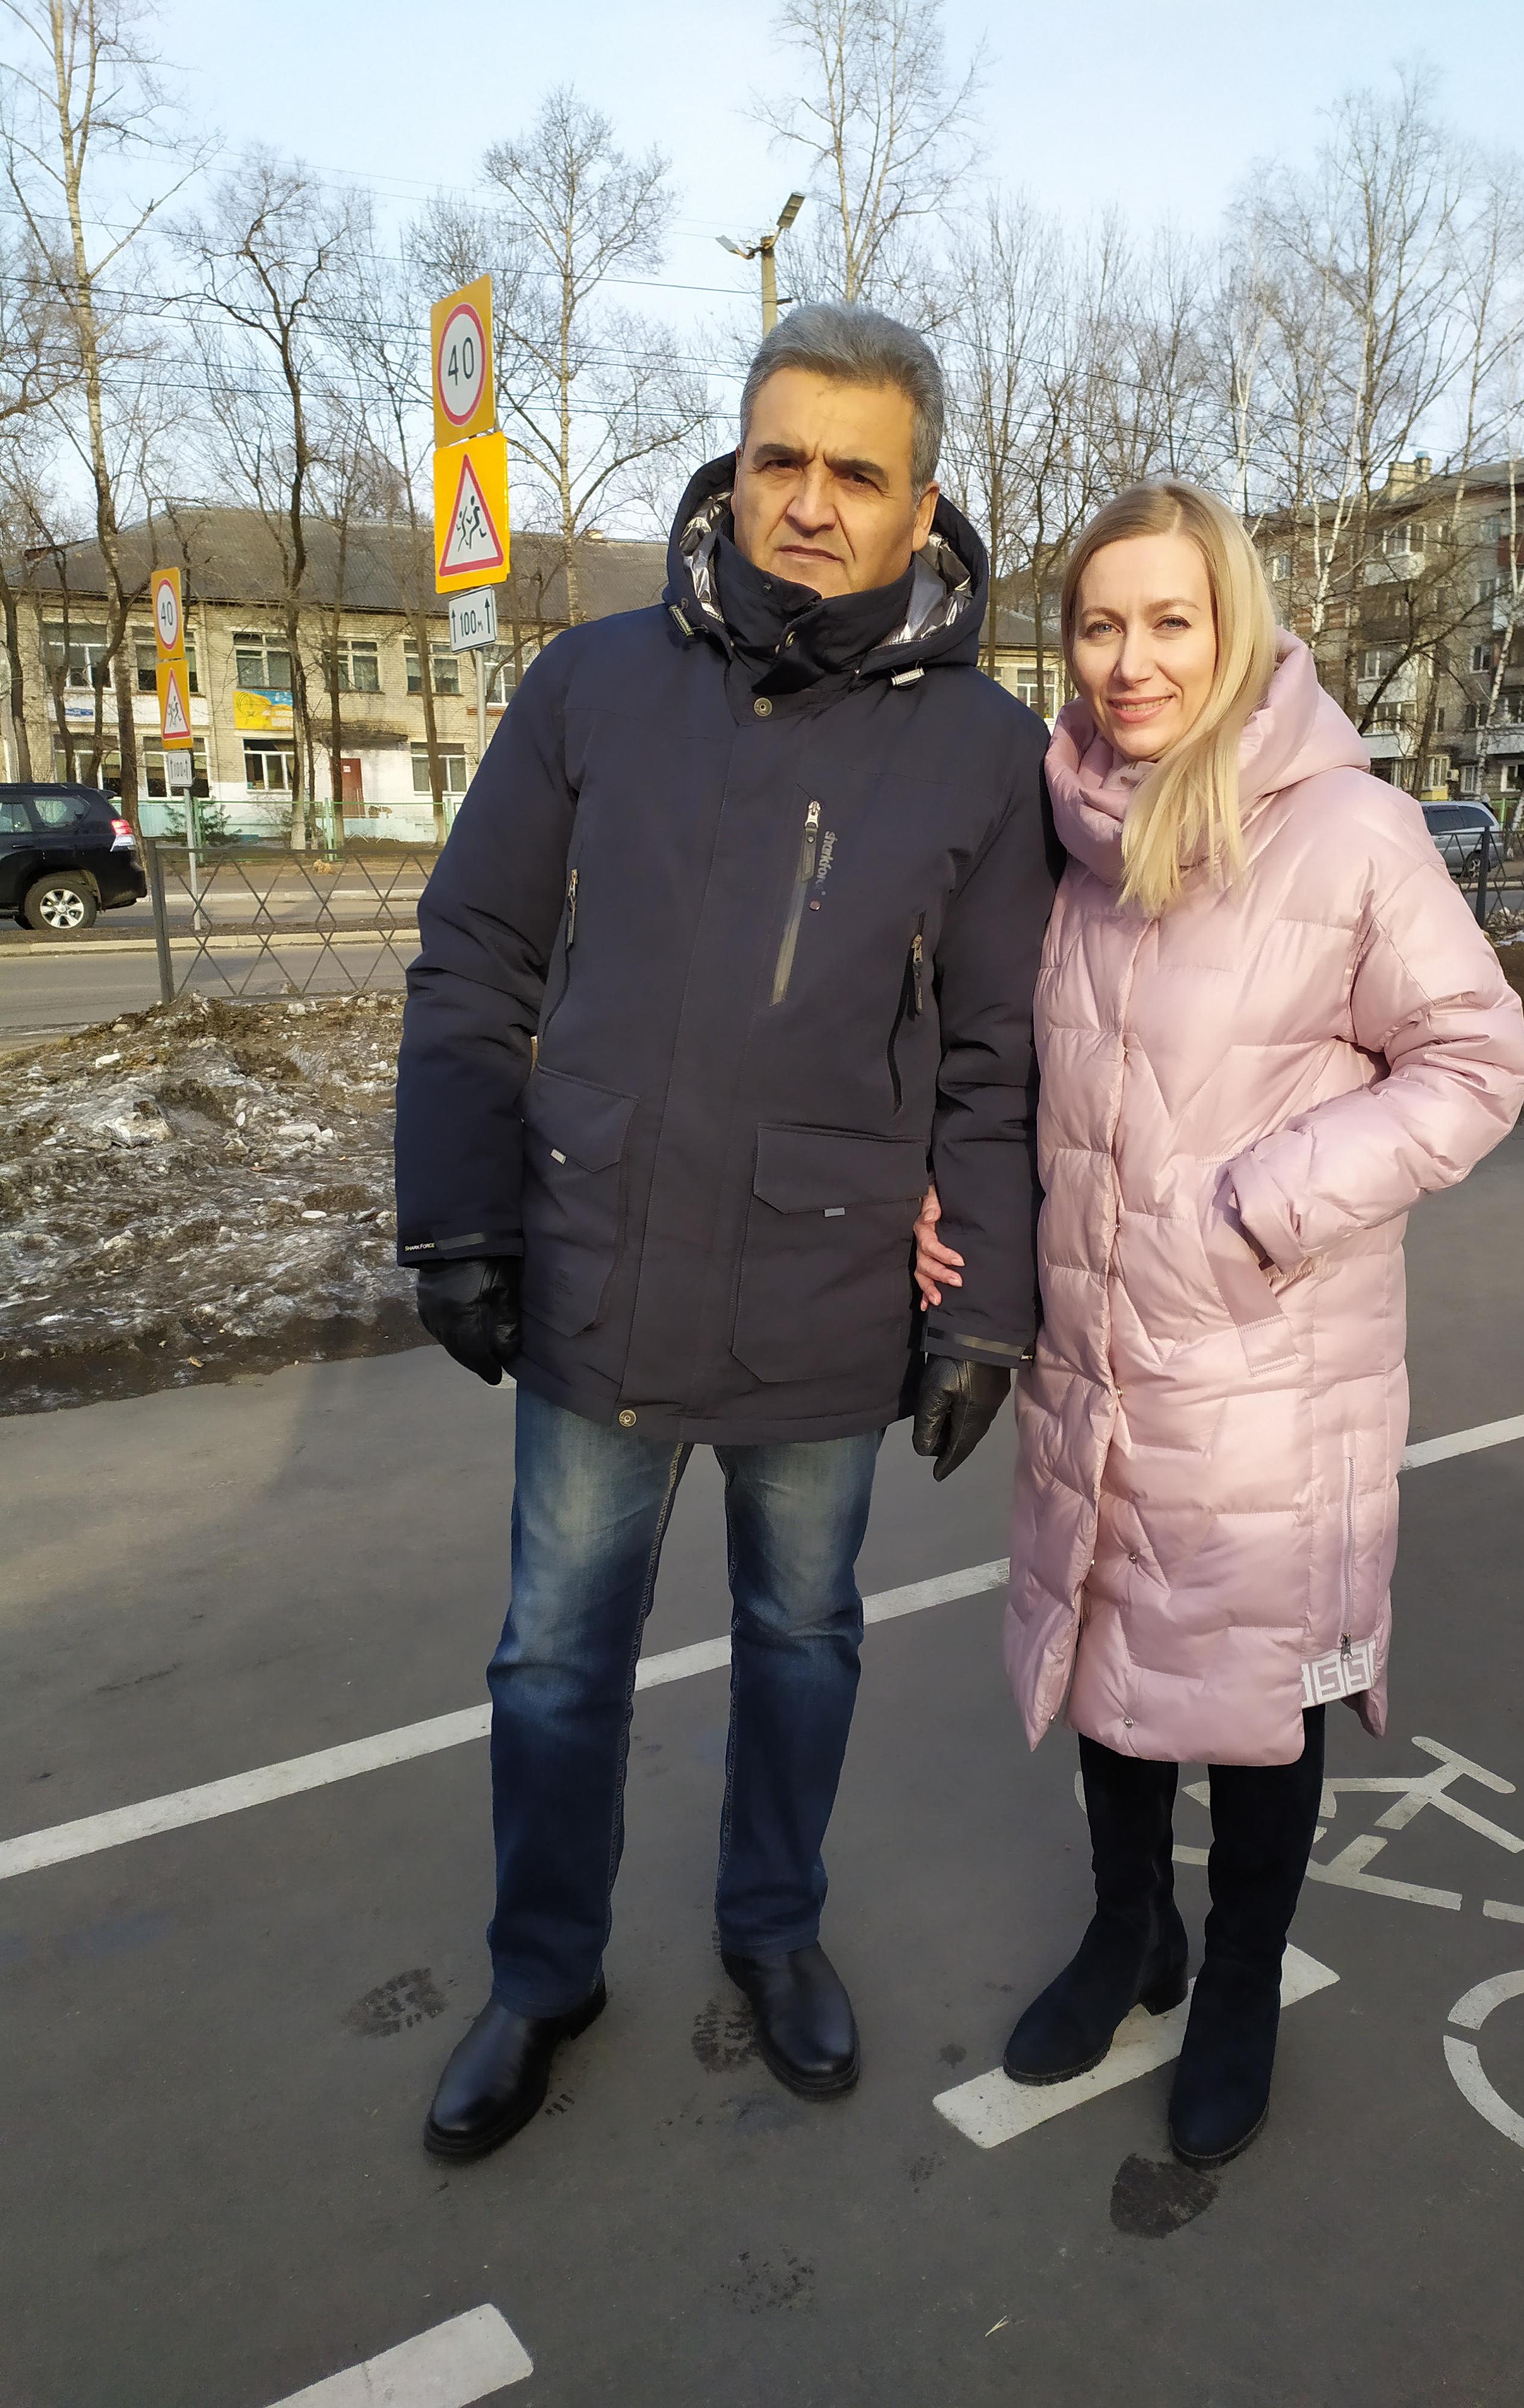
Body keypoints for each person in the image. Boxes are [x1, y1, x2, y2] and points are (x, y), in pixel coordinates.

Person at [395, 302, 1057, 2162]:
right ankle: (543, 1974)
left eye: (858, 472)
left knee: (803, 1637)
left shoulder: (984, 752)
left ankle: (774, 1929)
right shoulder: (592, 685)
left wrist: (984, 1310)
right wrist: (458, 1214)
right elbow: (476, 954)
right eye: (783, 459)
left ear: (922, 506)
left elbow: (1000, 1058)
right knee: (552, 1658)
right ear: (736, 469)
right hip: (597, 1269)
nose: (812, 502)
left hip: (826, 1294)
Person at [914, 480, 1524, 2168]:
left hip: (1270, 1371)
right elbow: (1013, 1065)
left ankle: (1241, 1978)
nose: (1131, 662)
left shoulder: (1349, 835)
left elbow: (1478, 1063)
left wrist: (1263, 1205)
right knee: (1111, 1663)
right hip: (1098, 1358)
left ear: (1234, 628)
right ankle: (1133, 1934)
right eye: (1100, 625)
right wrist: (957, 1204)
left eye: (1170, 621)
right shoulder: (1069, 835)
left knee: (1257, 1698)